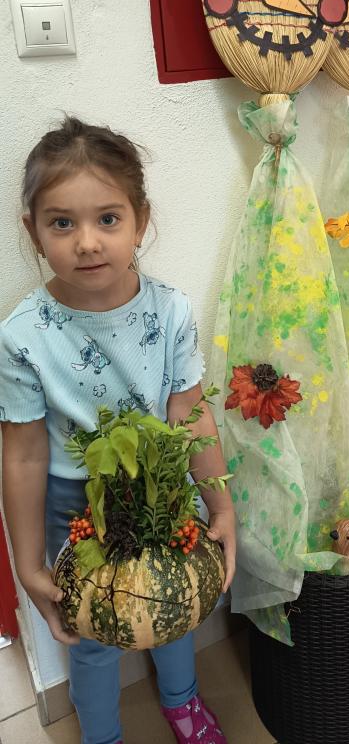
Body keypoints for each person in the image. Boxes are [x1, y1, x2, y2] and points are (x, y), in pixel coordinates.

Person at [0, 116, 236, 744]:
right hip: (76, 508)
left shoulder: (170, 310)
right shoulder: (22, 336)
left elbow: (190, 412)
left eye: (108, 218)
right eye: (62, 223)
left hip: (163, 497)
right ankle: (100, 735)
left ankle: (182, 701)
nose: (87, 243)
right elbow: (23, 455)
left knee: (175, 604)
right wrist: (27, 562)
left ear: (140, 221)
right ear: (32, 230)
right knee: (92, 633)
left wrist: (221, 506)